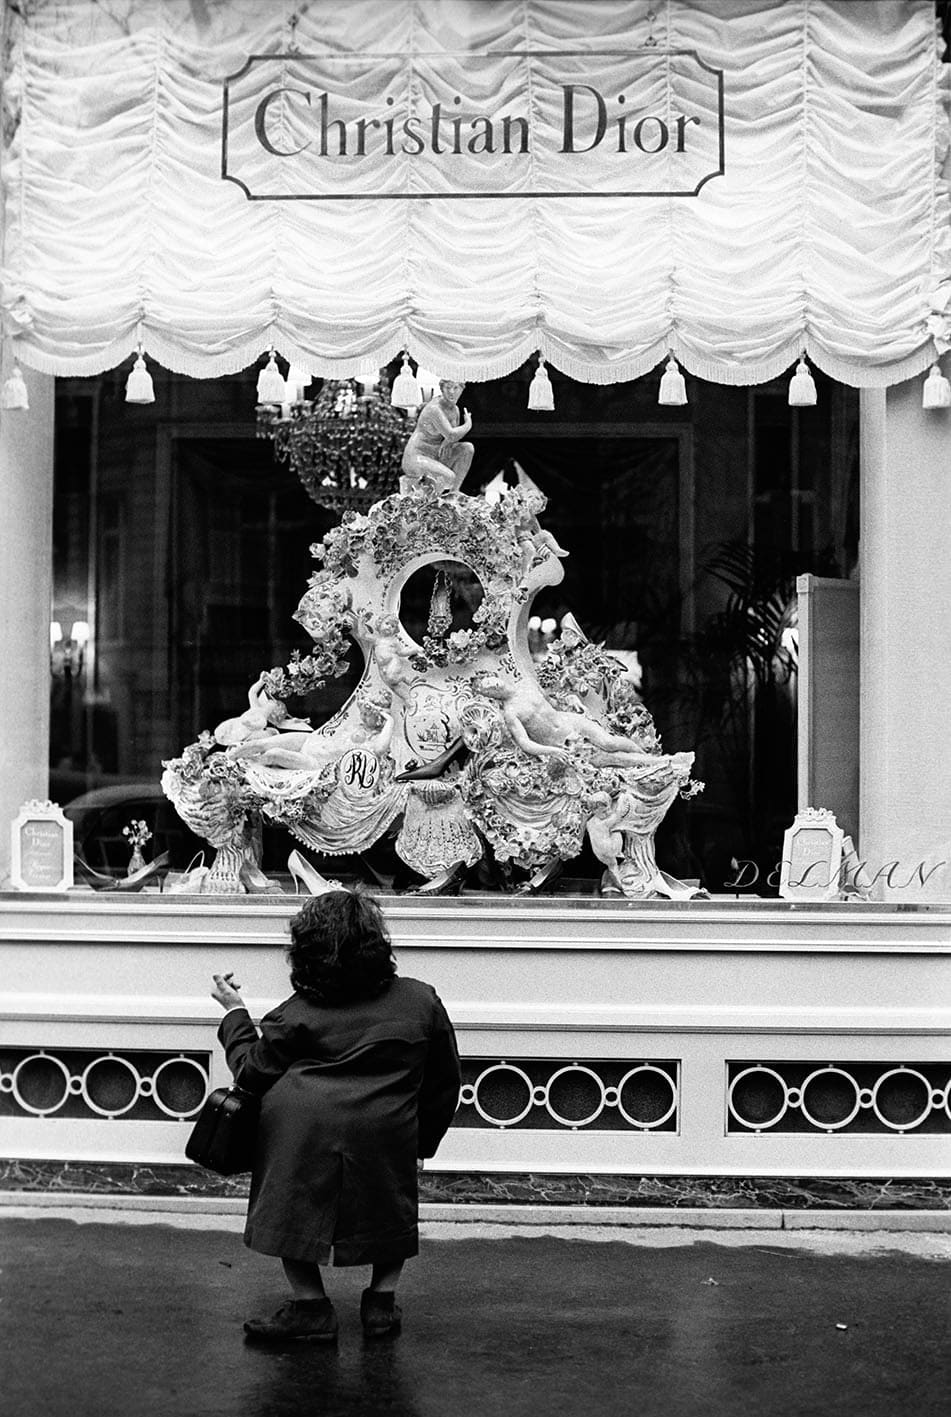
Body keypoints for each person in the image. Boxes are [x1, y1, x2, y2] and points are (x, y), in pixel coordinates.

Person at [210, 890, 460, 1344]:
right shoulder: (420, 1000)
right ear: (376, 943)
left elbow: (250, 1071)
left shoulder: (296, 1013)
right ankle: (381, 1305)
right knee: (390, 1208)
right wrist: (423, 1142)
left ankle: (311, 1307)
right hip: (388, 1130)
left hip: (301, 1134)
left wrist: (234, 1012)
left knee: (293, 1213)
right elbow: (445, 1080)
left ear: (306, 953)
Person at [400, 378, 474, 493]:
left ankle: (454, 494)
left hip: (436, 455)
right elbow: (451, 435)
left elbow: (452, 438)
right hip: (416, 457)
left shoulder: (455, 410)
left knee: (467, 448)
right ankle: (424, 496)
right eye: (448, 387)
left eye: (456, 388)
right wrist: (468, 424)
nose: (452, 392)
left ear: (462, 389)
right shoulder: (434, 409)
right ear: (441, 388)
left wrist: (447, 442)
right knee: (449, 479)